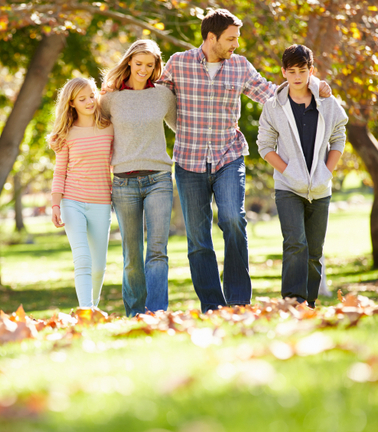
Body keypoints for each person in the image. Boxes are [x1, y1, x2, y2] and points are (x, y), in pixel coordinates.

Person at [158, 9, 332, 311]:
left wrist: (315, 87)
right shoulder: (179, 63)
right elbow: (155, 98)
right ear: (211, 38)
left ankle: (238, 301)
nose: (236, 44)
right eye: (231, 39)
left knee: (233, 220)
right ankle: (212, 305)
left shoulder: (239, 66)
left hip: (229, 156)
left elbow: (271, 93)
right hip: (188, 161)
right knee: (198, 239)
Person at [257, 44, 348, 308]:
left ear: (311, 70)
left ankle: (309, 303)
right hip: (287, 188)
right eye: (292, 71)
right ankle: (293, 300)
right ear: (283, 71)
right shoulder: (273, 107)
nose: (297, 77)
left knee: (314, 251)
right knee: (295, 242)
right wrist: (288, 172)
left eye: (303, 71)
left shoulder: (327, 102)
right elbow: (264, 146)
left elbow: (338, 137)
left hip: (320, 188)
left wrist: (326, 172)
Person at [100, 39, 177, 317]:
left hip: (159, 179)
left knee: (157, 251)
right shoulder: (110, 99)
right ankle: (134, 313)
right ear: (129, 61)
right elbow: (96, 131)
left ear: (157, 66)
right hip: (123, 183)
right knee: (132, 256)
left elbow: (185, 126)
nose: (144, 69)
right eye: (139, 63)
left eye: (150, 65)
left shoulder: (163, 96)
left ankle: (157, 313)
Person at [48, 77, 114, 309]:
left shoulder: (109, 127)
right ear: (72, 103)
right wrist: (56, 205)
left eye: (92, 95)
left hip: (102, 202)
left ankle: (92, 308)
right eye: (82, 98)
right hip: (72, 201)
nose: (89, 101)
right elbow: (59, 171)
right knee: (83, 260)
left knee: (98, 267)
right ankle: (85, 311)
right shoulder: (66, 134)